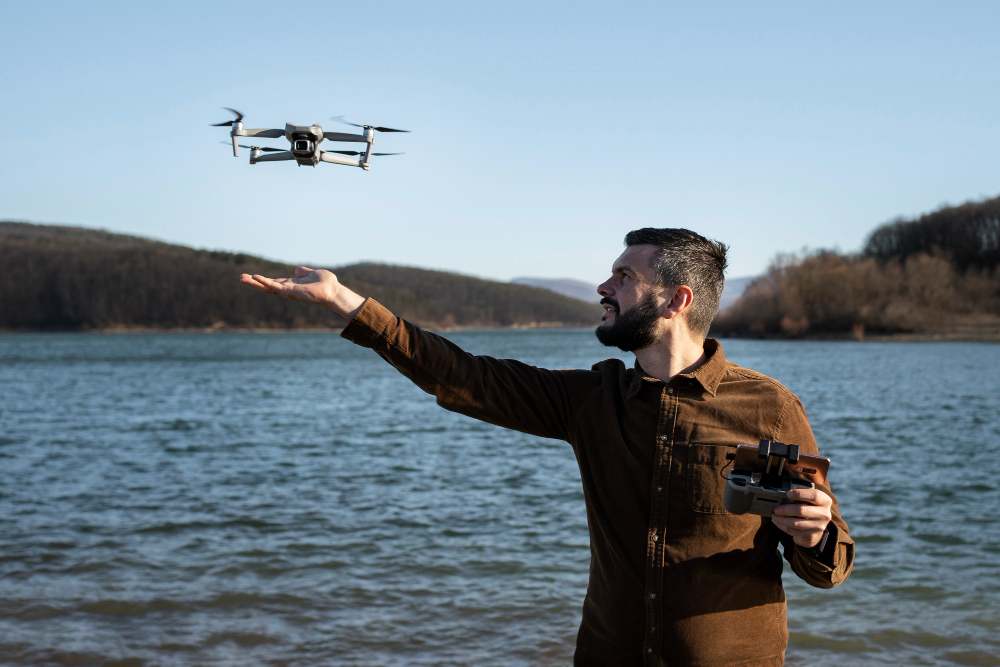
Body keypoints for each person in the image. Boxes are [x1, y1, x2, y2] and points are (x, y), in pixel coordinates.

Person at [239, 228, 853, 666]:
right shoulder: (591, 398)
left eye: (624, 276)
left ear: (675, 300)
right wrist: (347, 302)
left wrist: (814, 534)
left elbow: (832, 563)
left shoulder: (769, 407)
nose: (603, 286)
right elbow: (465, 375)